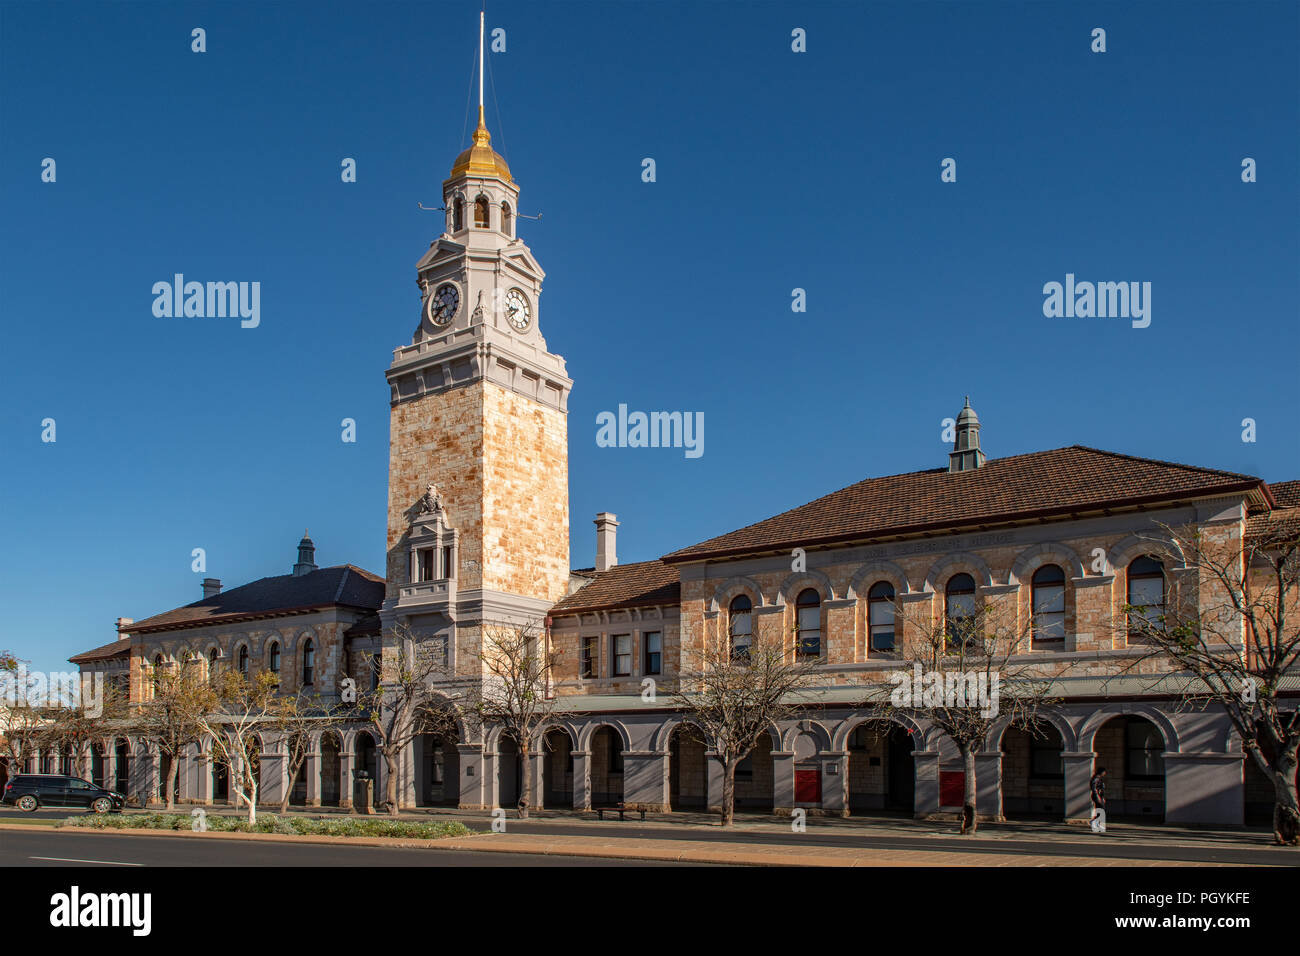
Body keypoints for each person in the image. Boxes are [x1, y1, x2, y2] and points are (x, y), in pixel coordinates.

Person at [1090, 767, 1107, 833]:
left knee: (1100, 811)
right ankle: (1095, 823)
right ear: (1101, 772)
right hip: (1097, 796)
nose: (1105, 773)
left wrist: (1102, 798)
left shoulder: (1098, 778)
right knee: (1102, 811)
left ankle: (1096, 826)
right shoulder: (1096, 778)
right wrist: (1099, 797)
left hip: (1099, 796)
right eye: (1104, 772)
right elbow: (1094, 789)